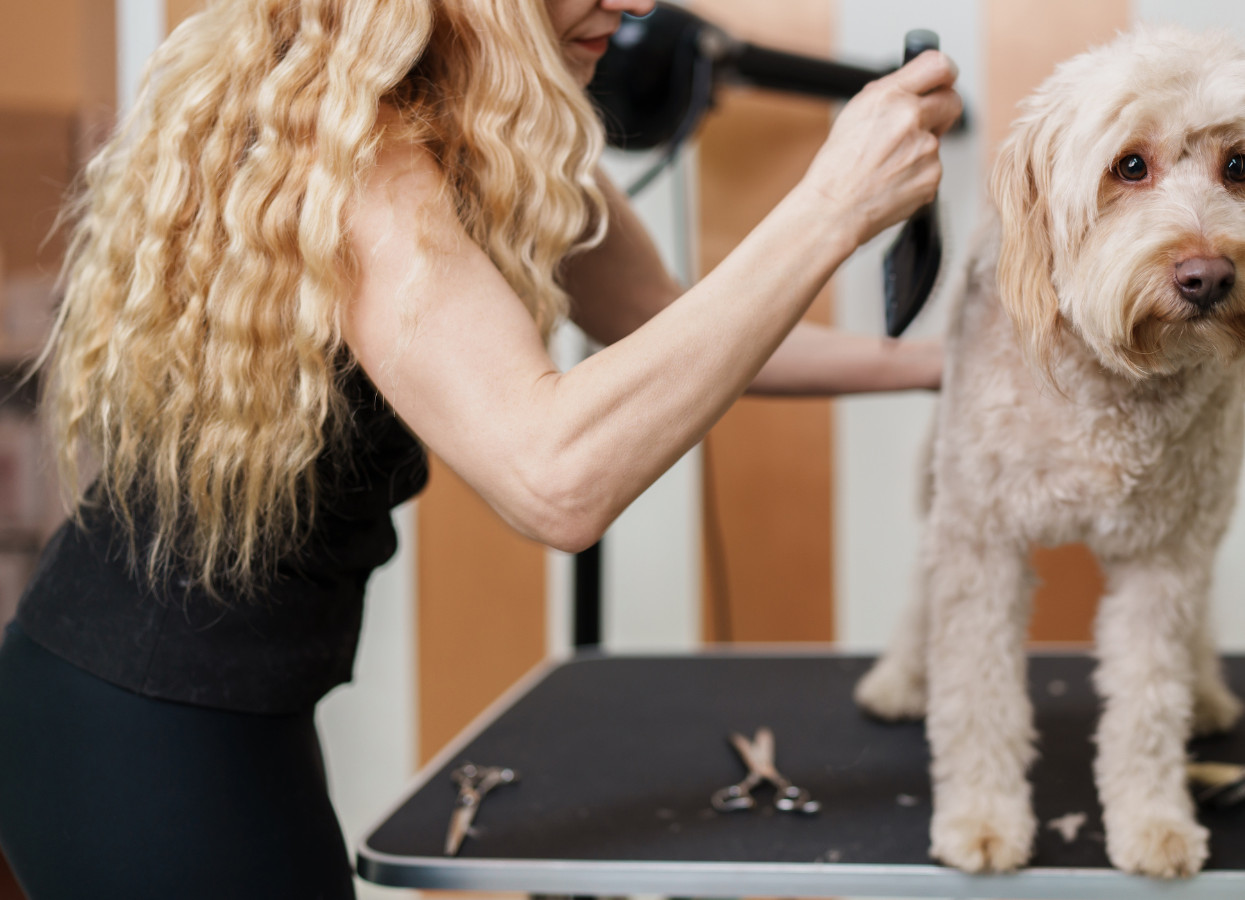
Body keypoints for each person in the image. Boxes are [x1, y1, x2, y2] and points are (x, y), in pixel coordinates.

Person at [0, 0, 960, 896]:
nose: (633, 5)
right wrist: (830, 207)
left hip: (238, 696)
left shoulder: (504, 139)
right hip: (134, 710)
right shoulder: (368, 165)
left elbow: (665, 320)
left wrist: (948, 365)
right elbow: (555, 483)